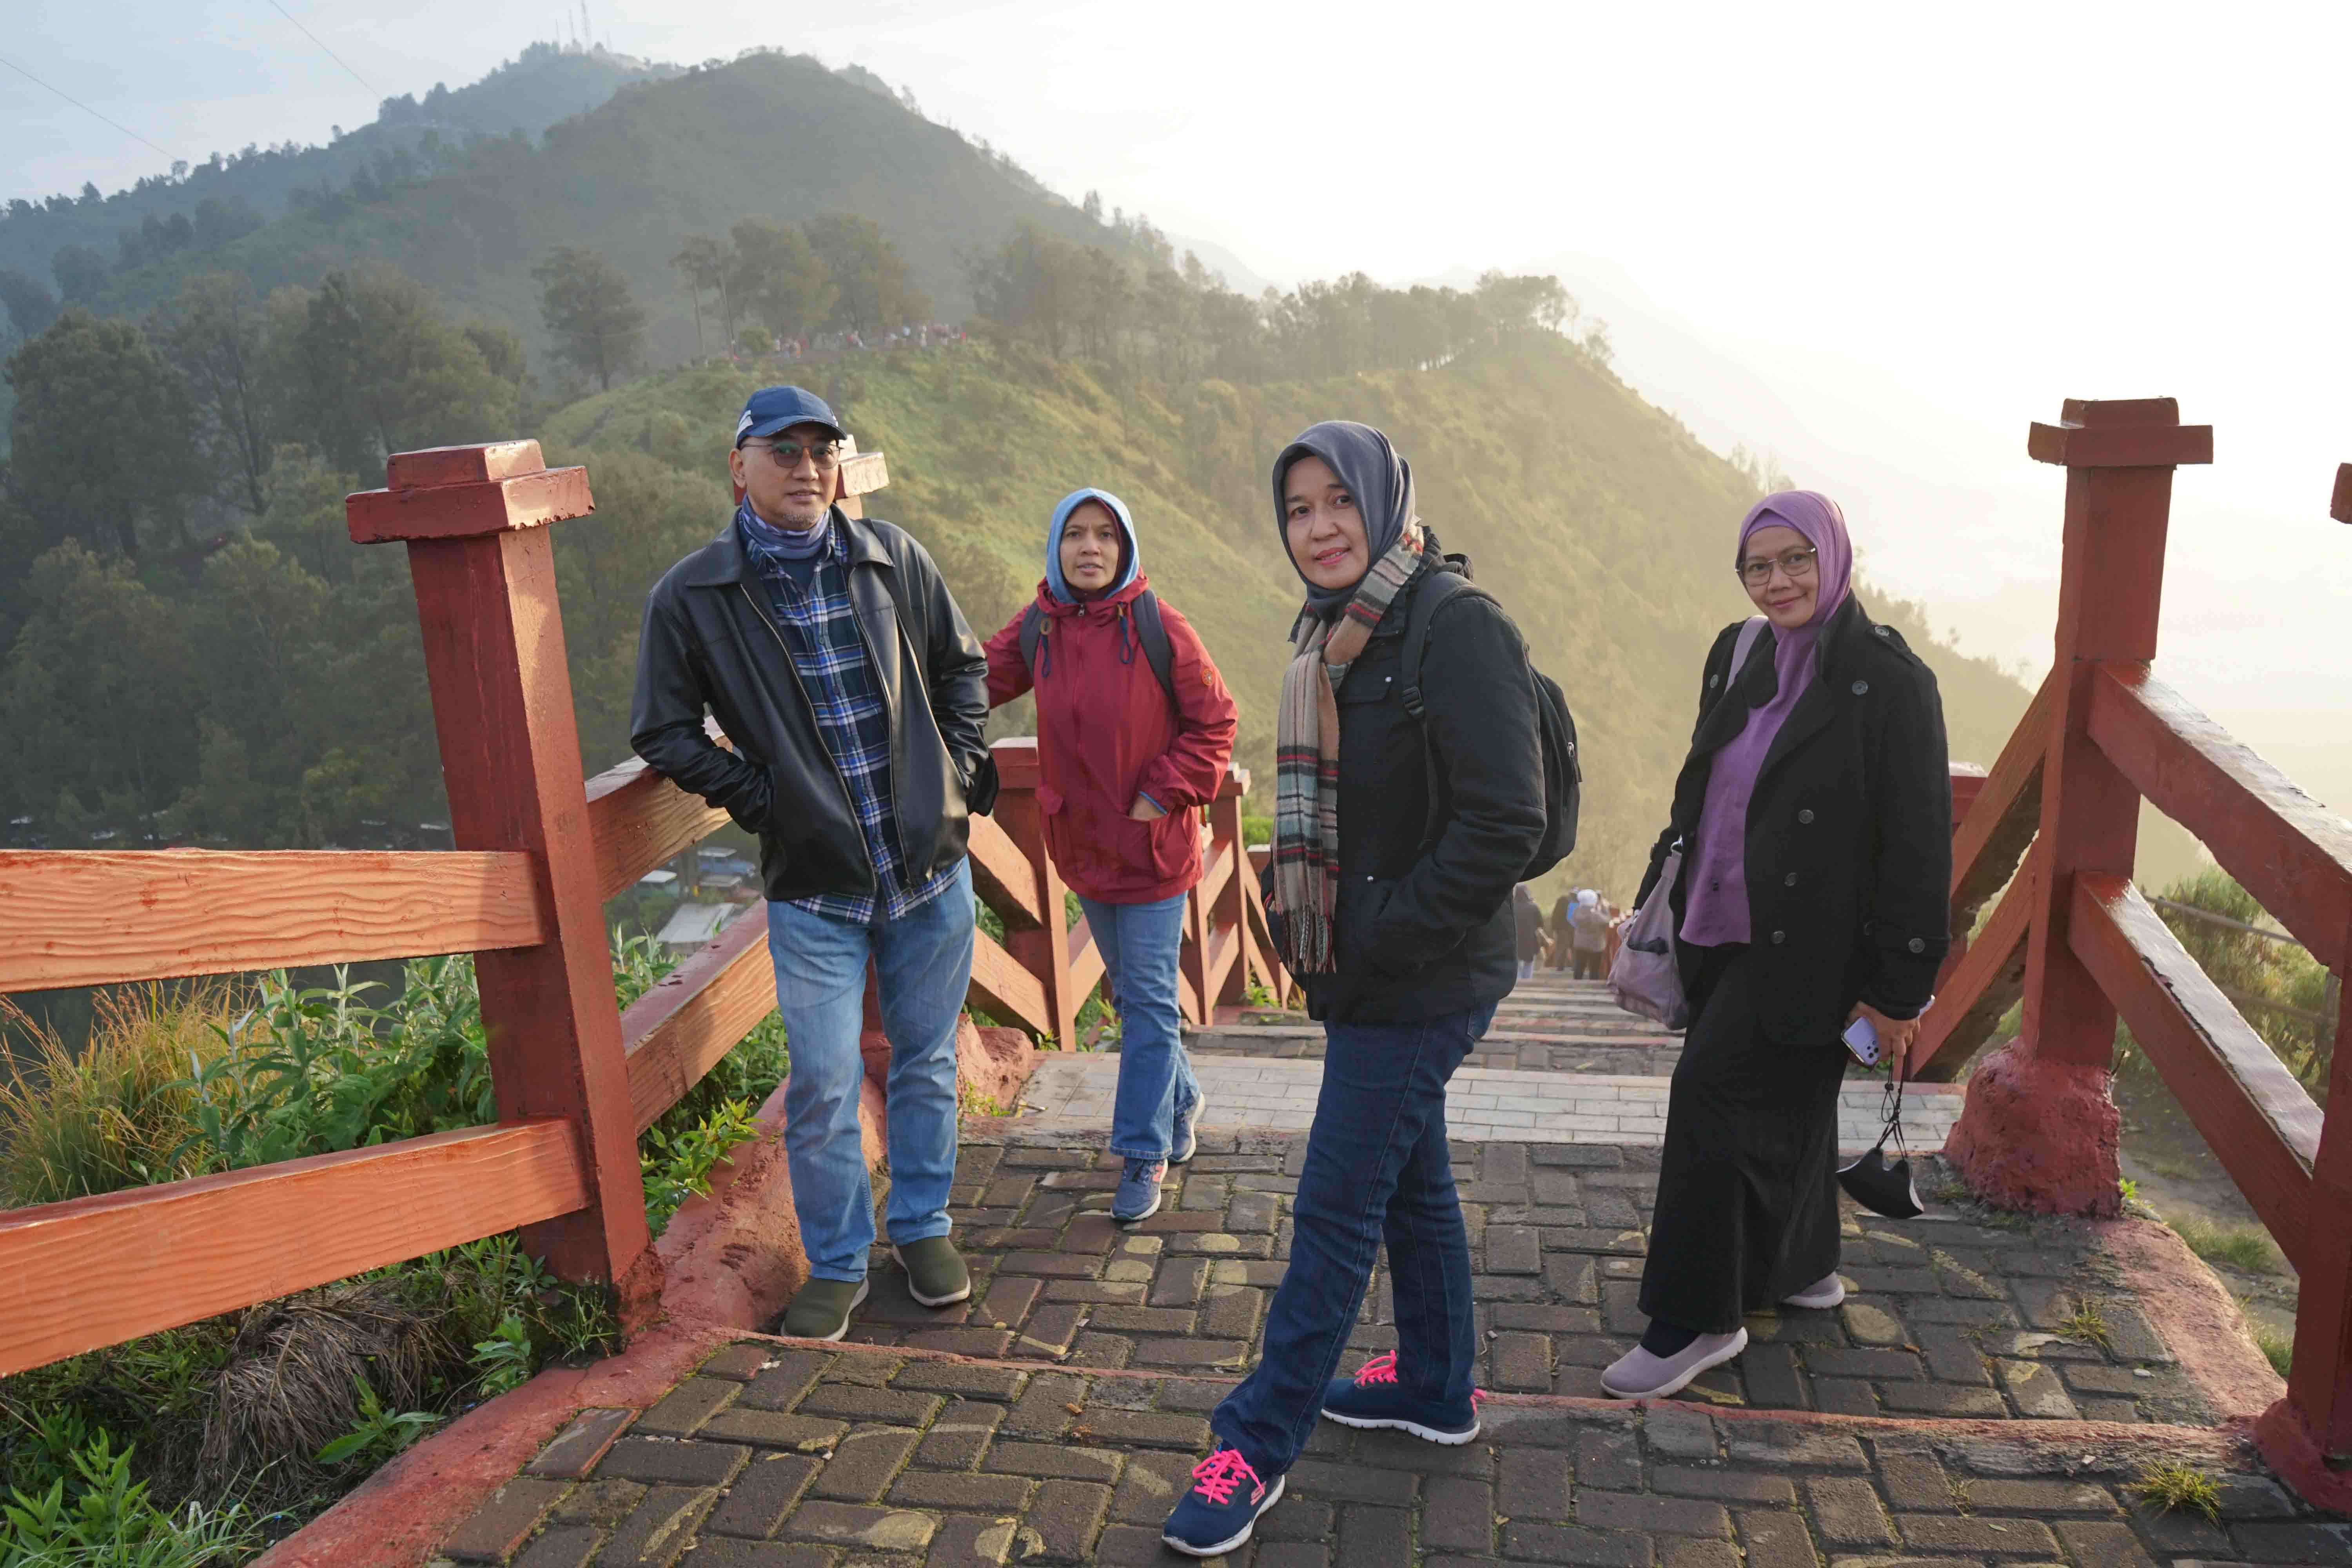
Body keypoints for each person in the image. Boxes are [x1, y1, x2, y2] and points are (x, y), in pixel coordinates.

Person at [1161, 422, 1546, 1558]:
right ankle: (1434, 1386)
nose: (1320, 526)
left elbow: (1506, 819)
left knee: (1335, 1204)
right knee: (1407, 1182)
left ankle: (1256, 1443)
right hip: (1372, 968)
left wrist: (1378, 934)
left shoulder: (1455, 624)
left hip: (1425, 973)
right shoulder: (1333, 630)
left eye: (1339, 502)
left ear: (1383, 503)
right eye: (1298, 509)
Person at [631, 385, 993, 1343]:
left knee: (921, 1060)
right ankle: (837, 1261)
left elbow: (961, 670)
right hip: (816, 890)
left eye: (820, 450)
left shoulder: (892, 558)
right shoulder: (695, 594)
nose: (805, 467)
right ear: (737, 464)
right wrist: (764, 798)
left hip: (927, 872)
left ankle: (922, 1227)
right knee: (825, 1079)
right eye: (782, 450)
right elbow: (662, 729)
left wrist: (956, 773)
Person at [1601, 490, 1950, 1399]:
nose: (1777, 580)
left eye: (1797, 558)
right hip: (1717, 925)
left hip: (1815, 948)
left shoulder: (1889, 681)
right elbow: (1701, 782)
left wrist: (1898, 991)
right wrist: (1657, 893)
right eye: (1759, 565)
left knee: (1710, 1099)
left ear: (1835, 557)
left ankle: (1694, 1317)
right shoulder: (1739, 650)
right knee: (1789, 1105)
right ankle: (1800, 1268)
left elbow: (1918, 844)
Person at [982, 487, 1239, 1225]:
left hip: (1155, 848)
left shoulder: (1160, 626)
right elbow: (972, 682)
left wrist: (1162, 792)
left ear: (1125, 548)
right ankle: (1183, 1099)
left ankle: (1141, 1150)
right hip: (1085, 849)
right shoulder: (1042, 627)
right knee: (1134, 999)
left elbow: (1215, 721)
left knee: (1151, 1003)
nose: (1090, 548)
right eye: (1076, 535)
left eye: (1105, 535)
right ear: (1056, 548)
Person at [1569, 887, 1612, 979]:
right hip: (1596, 945)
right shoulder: (1596, 915)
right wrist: (1603, 906)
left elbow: (1572, 921)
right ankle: (1593, 984)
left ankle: (1576, 984)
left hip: (1580, 943)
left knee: (1579, 967)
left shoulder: (1577, 912)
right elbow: (1607, 920)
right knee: (1594, 969)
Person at [1513, 883, 1546, 980]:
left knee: (1517, 962)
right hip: (1530, 940)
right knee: (1529, 962)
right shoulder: (1533, 907)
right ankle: (1527, 980)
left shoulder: (1512, 907)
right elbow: (1540, 924)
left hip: (1515, 939)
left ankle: (1518, 982)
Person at [1544, 891, 1576, 970]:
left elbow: (1554, 920)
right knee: (1573, 948)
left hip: (1560, 930)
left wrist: (1555, 929)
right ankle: (1574, 966)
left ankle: (1560, 967)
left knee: (1561, 948)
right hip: (1569, 930)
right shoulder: (1570, 905)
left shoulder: (1560, 905)